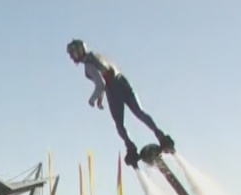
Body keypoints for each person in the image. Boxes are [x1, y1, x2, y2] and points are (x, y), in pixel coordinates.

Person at [67, 40, 175, 169]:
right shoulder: (97, 56)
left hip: (113, 90)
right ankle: (160, 135)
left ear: (79, 50)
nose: (71, 57)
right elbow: (103, 76)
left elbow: (101, 84)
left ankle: (131, 148)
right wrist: (100, 98)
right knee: (139, 112)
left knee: (119, 125)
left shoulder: (88, 66)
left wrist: (92, 99)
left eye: (72, 53)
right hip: (122, 81)